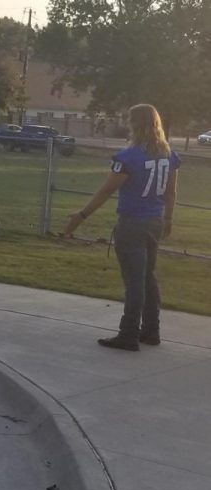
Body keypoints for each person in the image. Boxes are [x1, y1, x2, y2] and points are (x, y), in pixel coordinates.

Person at [63, 104, 180, 351]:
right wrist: (168, 219)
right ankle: (151, 330)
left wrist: (81, 215)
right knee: (149, 277)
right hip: (155, 221)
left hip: (132, 224)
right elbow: (171, 192)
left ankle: (128, 334)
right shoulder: (168, 155)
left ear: (134, 124)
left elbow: (107, 190)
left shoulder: (129, 157)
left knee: (134, 281)